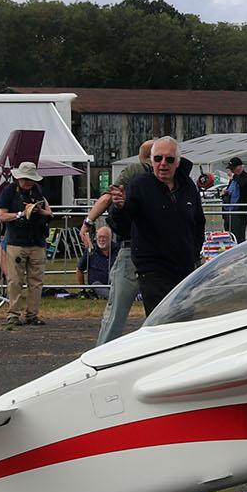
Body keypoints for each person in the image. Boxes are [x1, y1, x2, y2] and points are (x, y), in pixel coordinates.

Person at [110, 136, 204, 317]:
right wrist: (120, 208)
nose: (163, 164)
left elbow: (198, 223)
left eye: (169, 159)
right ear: (151, 161)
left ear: (177, 162)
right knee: (161, 320)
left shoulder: (188, 186)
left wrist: (194, 253)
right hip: (153, 270)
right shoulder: (139, 186)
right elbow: (121, 227)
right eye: (158, 158)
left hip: (184, 268)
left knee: (186, 319)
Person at [89, 140, 153, 345]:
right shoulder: (142, 172)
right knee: (160, 312)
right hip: (152, 250)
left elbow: (107, 198)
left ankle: (102, 354)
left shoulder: (133, 170)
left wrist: (88, 221)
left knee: (116, 312)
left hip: (133, 248)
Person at [0, 162, 52, 327]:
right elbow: (2, 216)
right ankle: (13, 314)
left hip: (37, 241)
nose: (28, 182)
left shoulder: (38, 191)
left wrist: (39, 211)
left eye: (31, 179)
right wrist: (21, 214)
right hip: (17, 242)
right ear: (18, 178)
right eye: (25, 179)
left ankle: (32, 314)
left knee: (36, 280)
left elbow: (50, 212)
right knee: (15, 280)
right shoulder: (9, 192)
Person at [224, 156, 247, 241]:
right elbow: (230, 190)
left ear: (240, 167)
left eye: (233, 168)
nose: (231, 171)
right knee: (228, 236)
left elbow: (243, 185)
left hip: (239, 212)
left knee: (238, 236)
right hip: (228, 211)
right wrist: (225, 193)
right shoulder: (233, 180)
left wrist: (234, 177)